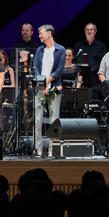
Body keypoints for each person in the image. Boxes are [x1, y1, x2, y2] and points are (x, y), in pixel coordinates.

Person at [33, 24, 65, 157]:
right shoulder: (39, 50)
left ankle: (53, 148)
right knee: (37, 120)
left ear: (49, 34)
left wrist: (45, 83)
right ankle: (38, 149)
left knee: (54, 120)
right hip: (40, 89)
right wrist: (42, 86)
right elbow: (36, 68)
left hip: (54, 88)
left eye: (41, 33)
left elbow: (59, 71)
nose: (39, 36)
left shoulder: (60, 50)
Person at [73, 23, 107, 94]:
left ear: (95, 31)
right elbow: (74, 61)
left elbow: (104, 63)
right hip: (80, 80)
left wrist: (92, 69)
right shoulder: (78, 45)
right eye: (87, 30)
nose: (89, 32)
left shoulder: (101, 46)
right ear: (84, 31)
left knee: (94, 99)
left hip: (95, 80)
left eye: (91, 30)